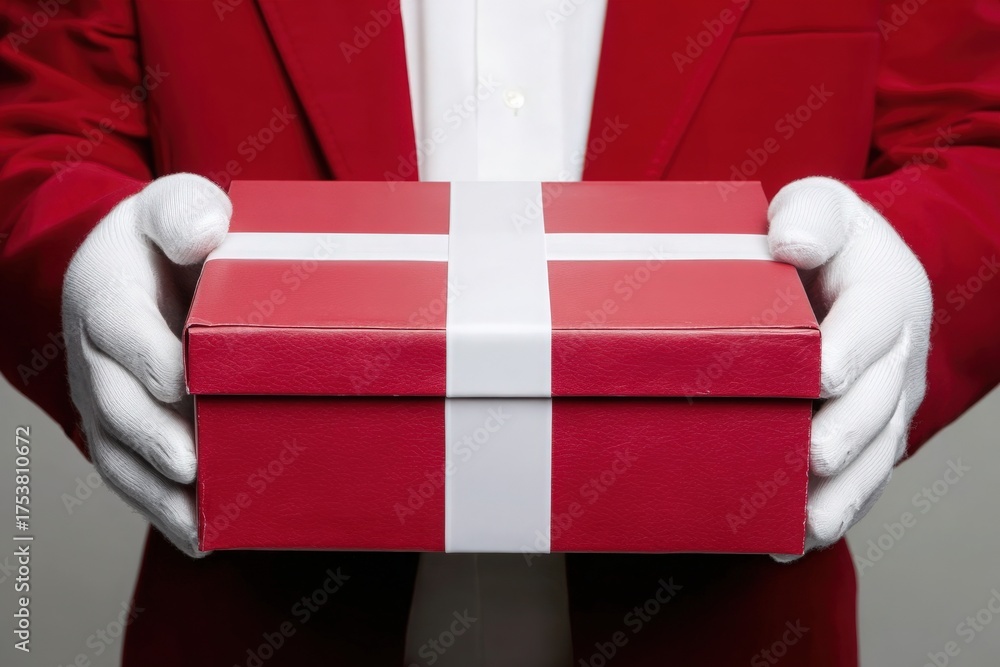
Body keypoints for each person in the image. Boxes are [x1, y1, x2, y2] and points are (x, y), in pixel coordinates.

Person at [1, 0, 998, 665]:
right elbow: (37, 123)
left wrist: (917, 266)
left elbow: (978, 136)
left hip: (735, 626)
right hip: (255, 619)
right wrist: (75, 252)